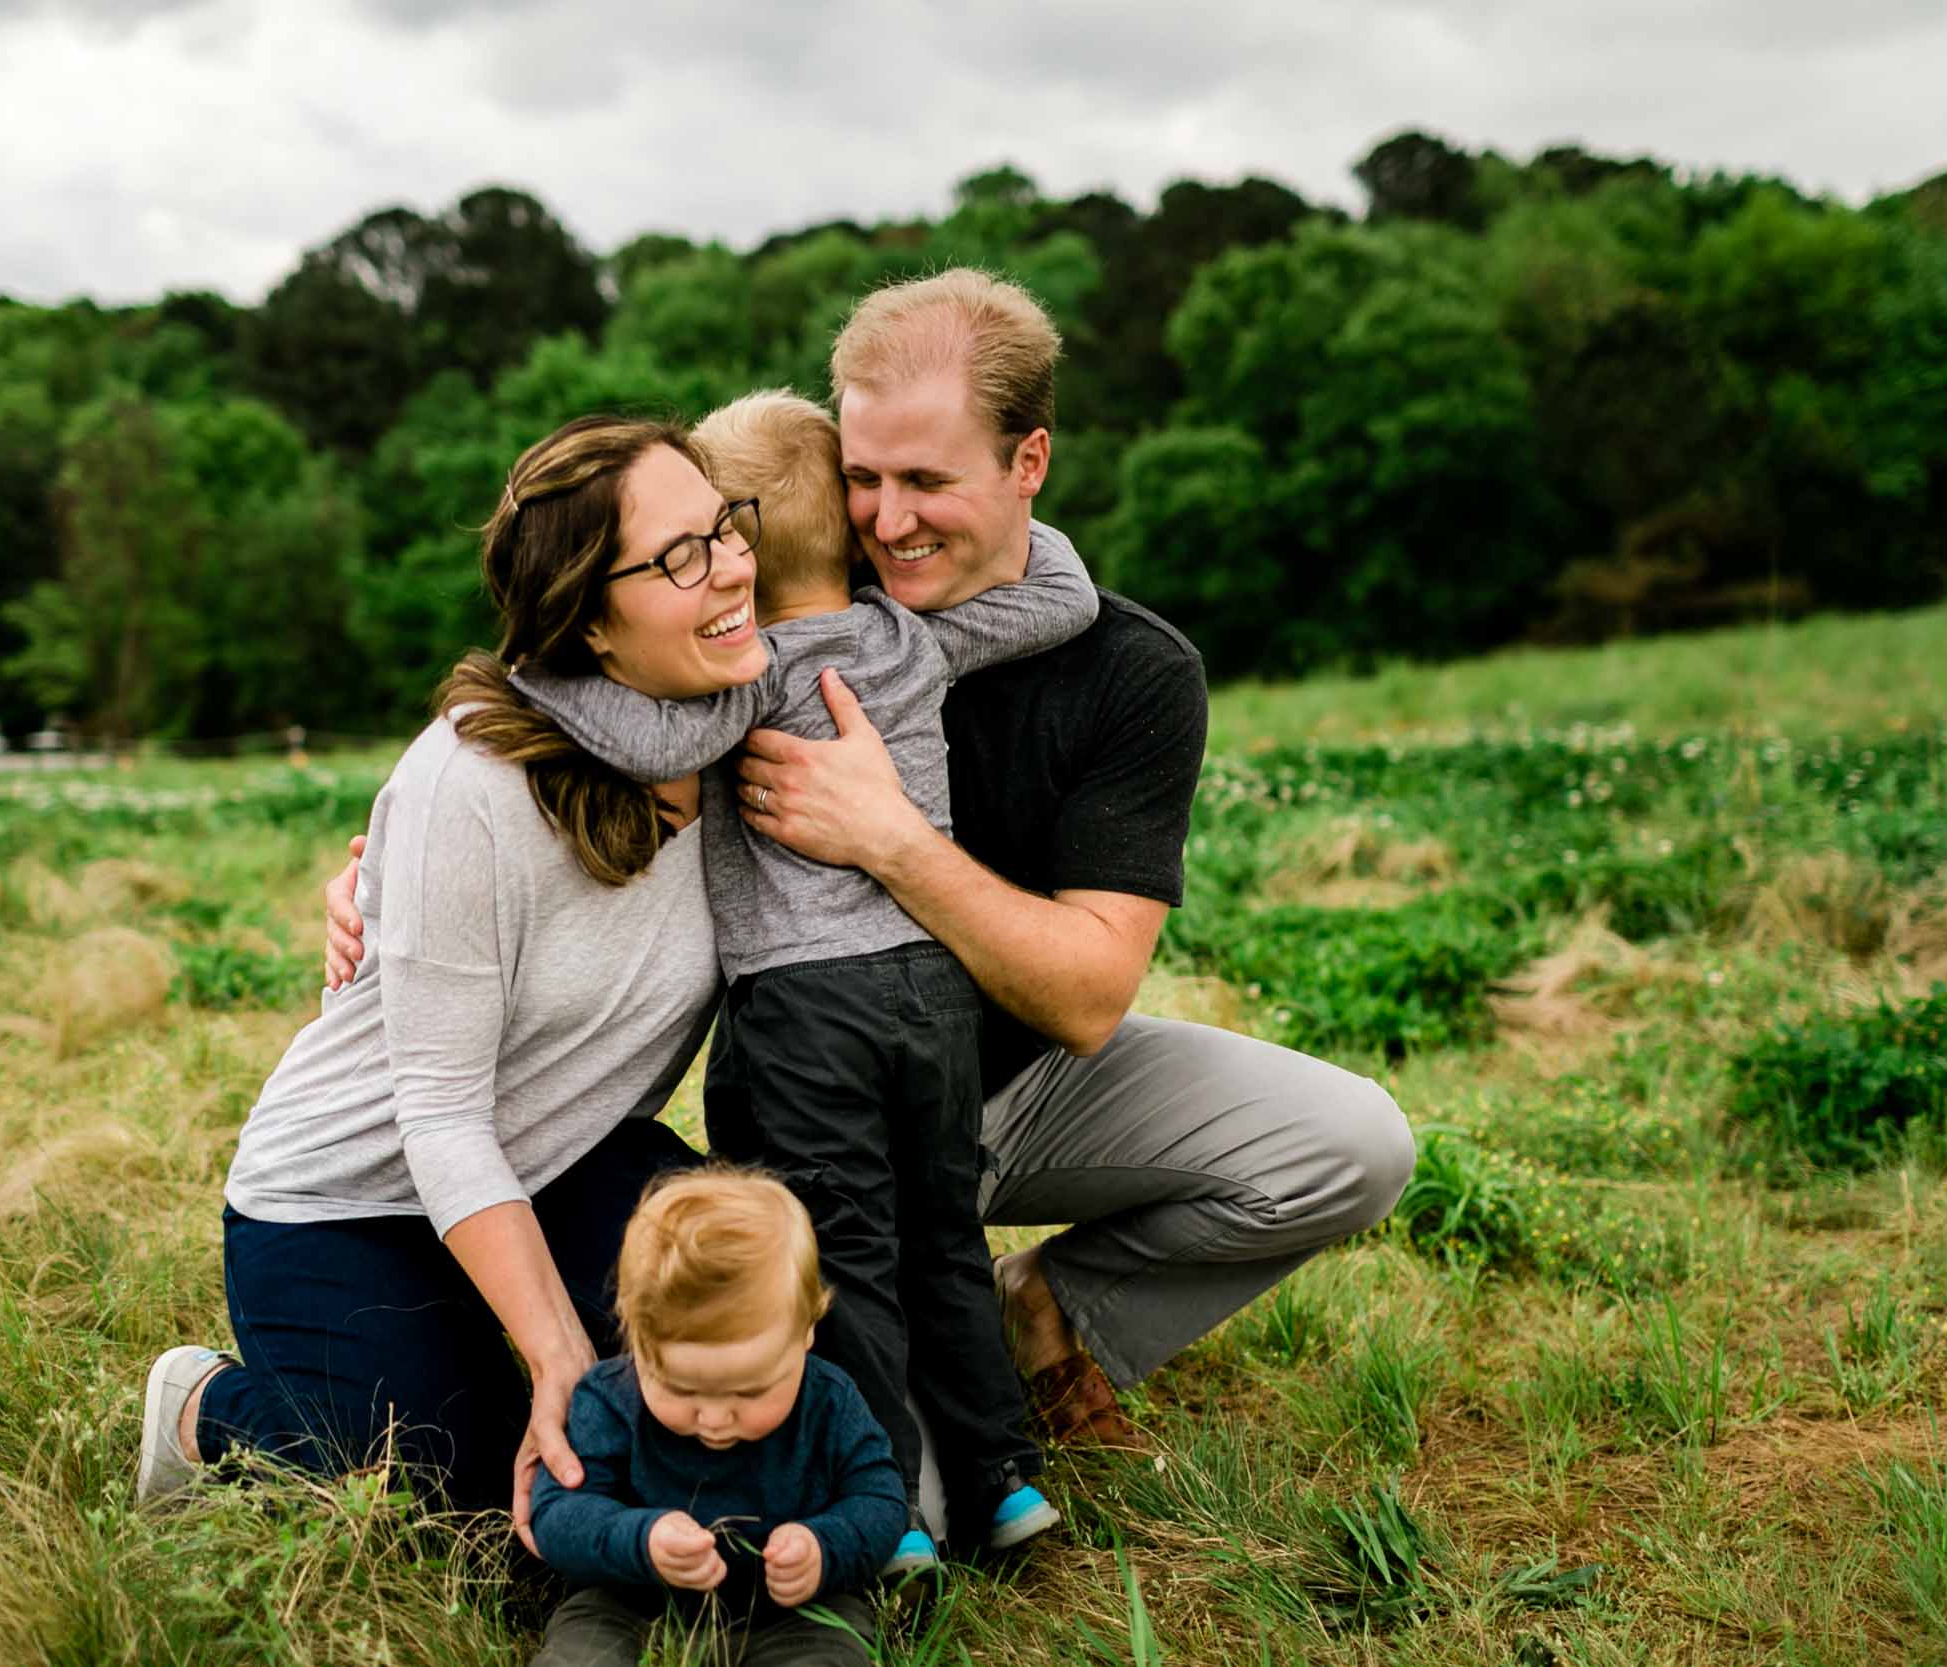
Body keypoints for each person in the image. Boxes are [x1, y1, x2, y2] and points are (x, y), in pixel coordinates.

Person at [324, 269, 1416, 1468]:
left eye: (929, 482)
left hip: (1016, 1085)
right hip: (817, 1102)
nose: (887, 519)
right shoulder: (755, 635)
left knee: (1350, 1141)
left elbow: (1090, 996)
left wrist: (889, 837)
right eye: (863, 476)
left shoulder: (1133, 673)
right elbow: (588, 660)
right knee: (873, 1473)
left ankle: (1046, 1310)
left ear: (1028, 462)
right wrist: (398, 875)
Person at [137, 415, 776, 1531]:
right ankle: (206, 1408)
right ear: (589, 620)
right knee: (452, 1484)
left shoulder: (750, 720)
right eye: (680, 556)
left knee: (712, 1363)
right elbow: (436, 1109)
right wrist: (557, 1348)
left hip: (566, 1154)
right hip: (351, 1193)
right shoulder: (469, 786)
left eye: (725, 525)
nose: (729, 567)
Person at [512, 388, 1088, 1569]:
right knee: (943, 1240)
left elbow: (643, 740)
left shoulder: (744, 675)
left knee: (844, 1255)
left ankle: (892, 1515)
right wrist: (1034, 513)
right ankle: (1004, 1483)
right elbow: (1062, 597)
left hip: (806, 1007)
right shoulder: (910, 638)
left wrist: (531, 673)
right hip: (935, 993)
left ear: (743, 545)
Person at [528, 1167, 906, 1667]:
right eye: (681, 1389)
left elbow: (880, 1498)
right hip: (630, 1601)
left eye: (749, 1392)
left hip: (792, 1612)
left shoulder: (830, 1401)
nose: (713, 1417)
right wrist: (641, 1539)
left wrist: (822, 1546)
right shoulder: (609, 1400)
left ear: (806, 1332)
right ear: (637, 1343)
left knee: (832, 1655)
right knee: (580, 1654)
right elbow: (556, 1515)